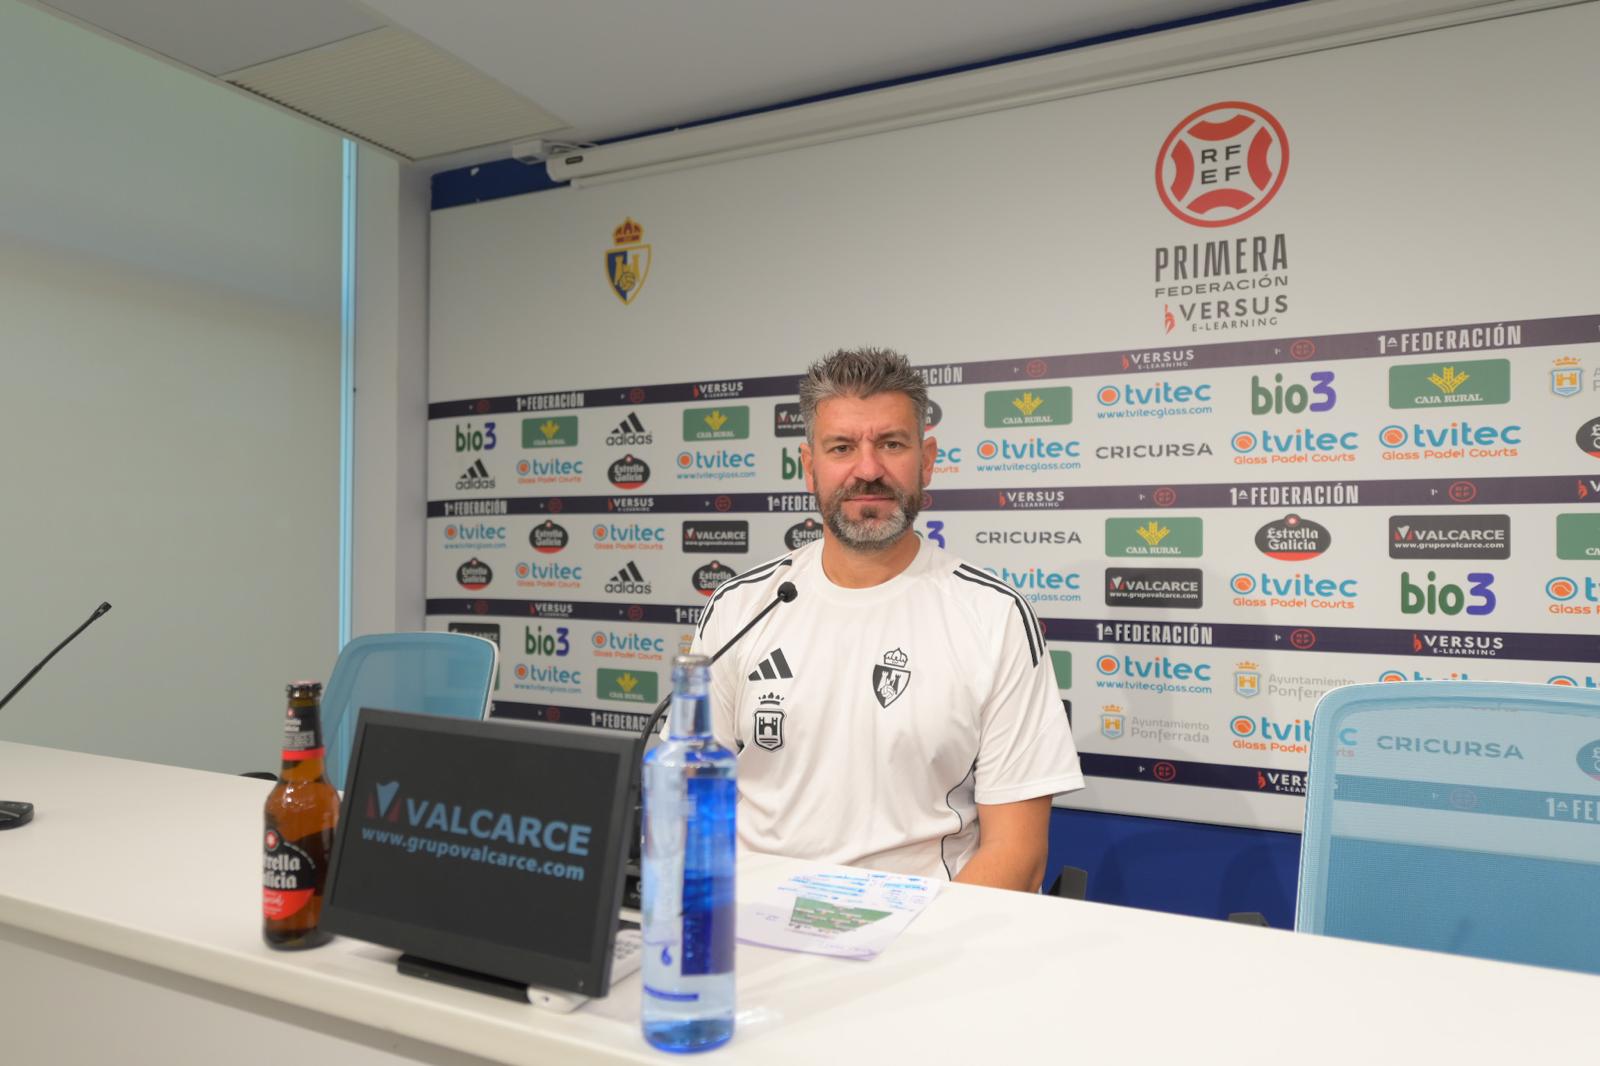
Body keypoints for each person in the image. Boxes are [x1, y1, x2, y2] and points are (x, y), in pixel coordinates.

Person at [692, 348, 1083, 890]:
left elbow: (1017, 853)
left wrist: (905, 954)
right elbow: (690, 805)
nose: (868, 469)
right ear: (809, 467)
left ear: (926, 461)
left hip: (924, 941)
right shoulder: (740, 607)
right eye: (842, 448)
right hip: (757, 935)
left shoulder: (993, 616)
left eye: (891, 444)